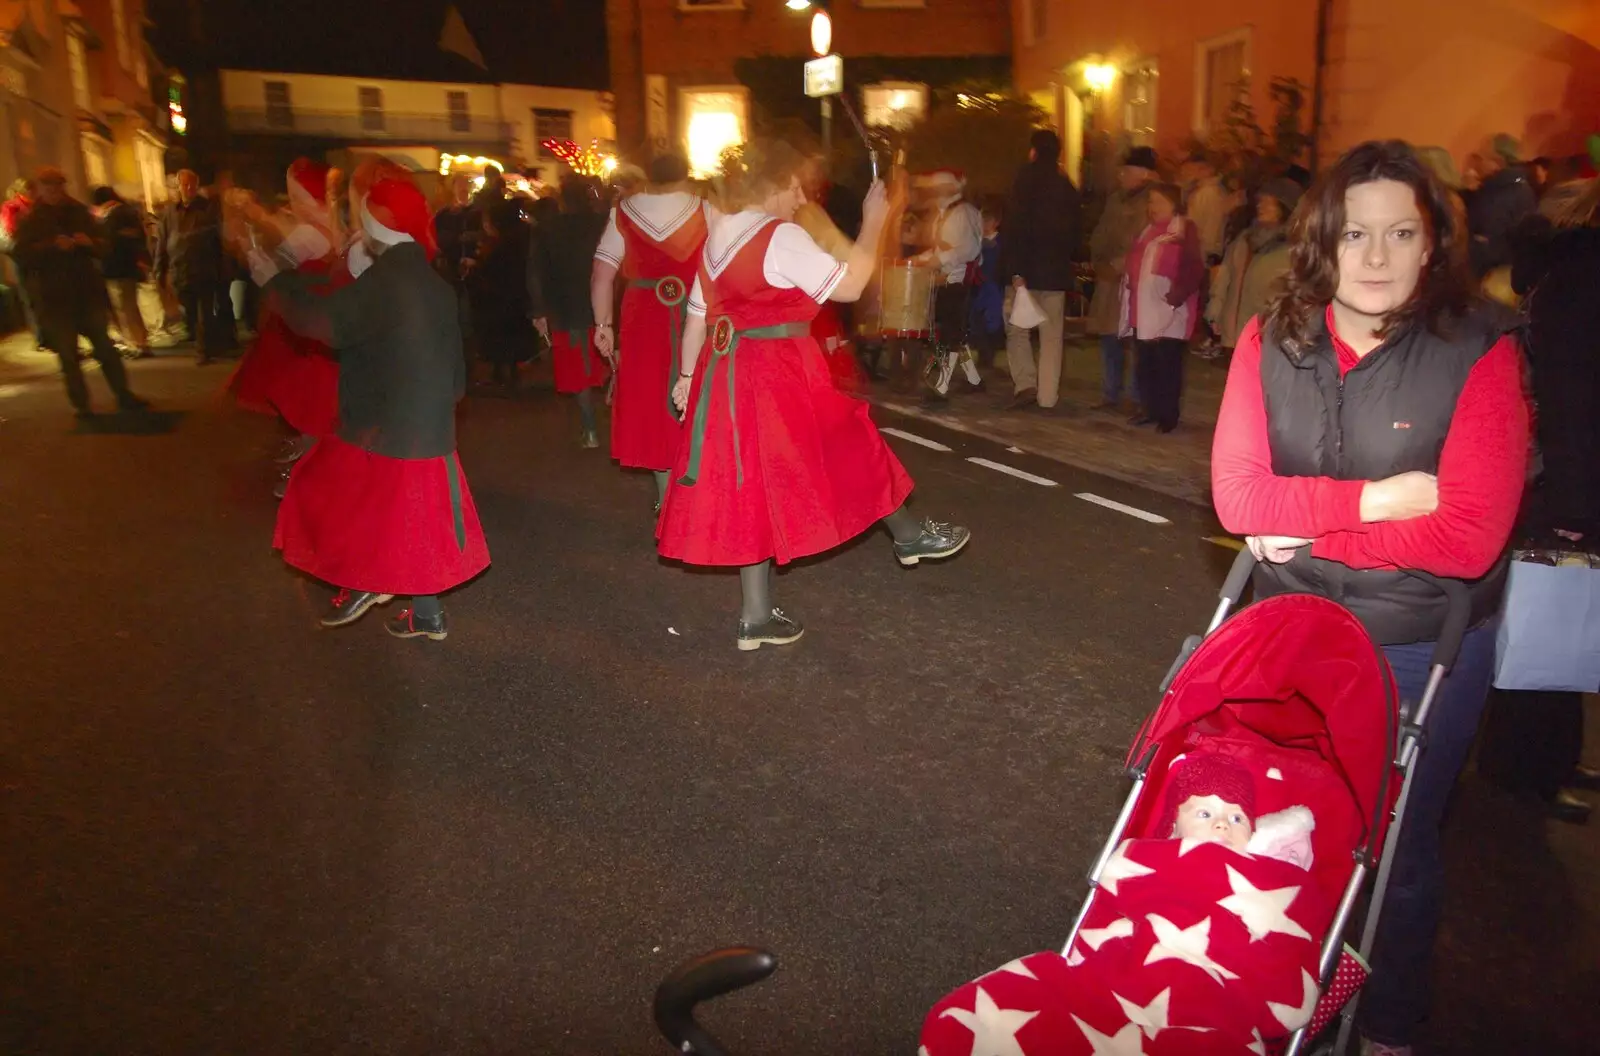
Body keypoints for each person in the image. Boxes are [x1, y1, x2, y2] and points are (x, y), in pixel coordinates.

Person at [1210, 140, 1530, 1056]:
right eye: (1355, 234)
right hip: (1288, 630)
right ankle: (1270, 992)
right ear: (1322, 239)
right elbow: (1237, 498)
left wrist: (1304, 526)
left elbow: (1468, 538)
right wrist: (1378, 504)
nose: (1378, 258)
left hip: (1417, 646)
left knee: (1394, 844)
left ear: (1433, 244)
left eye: (1401, 233)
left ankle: (1390, 1026)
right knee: (1281, 826)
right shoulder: (1274, 338)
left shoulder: (1479, 348)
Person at [657, 139, 970, 650]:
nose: (801, 196)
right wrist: (874, 220)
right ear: (777, 184)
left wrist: (688, 379)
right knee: (849, 441)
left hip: (727, 374)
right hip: (780, 373)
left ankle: (757, 617)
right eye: (796, 186)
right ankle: (911, 538)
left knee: (750, 480)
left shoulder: (717, 237)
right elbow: (849, 287)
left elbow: (697, 317)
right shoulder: (777, 236)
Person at [251, 175, 489, 641]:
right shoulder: (433, 284)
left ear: (375, 226)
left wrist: (273, 281)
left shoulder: (384, 283)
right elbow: (459, 368)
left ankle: (362, 581)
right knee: (418, 519)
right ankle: (425, 615)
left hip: (383, 428)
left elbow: (321, 323)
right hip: (430, 426)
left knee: (323, 490)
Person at [591, 152, 713, 514]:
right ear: (686, 174)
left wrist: (603, 325)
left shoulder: (624, 211)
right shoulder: (707, 210)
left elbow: (602, 275)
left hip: (642, 316)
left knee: (651, 402)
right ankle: (696, 487)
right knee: (697, 391)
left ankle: (666, 497)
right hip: (696, 312)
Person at [228, 159, 344, 480]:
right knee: (320, 401)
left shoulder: (309, 232)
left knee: (306, 400)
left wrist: (246, 245)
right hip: (324, 322)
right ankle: (312, 459)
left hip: (303, 325)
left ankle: (307, 470)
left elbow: (271, 271)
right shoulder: (336, 224)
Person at [12, 168, 148, 417]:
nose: (54, 192)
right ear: (42, 189)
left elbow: (104, 246)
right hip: (54, 297)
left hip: (86, 291)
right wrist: (52, 246)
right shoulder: (32, 219)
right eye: (49, 187)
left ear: (63, 187)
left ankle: (123, 394)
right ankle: (82, 405)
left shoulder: (79, 212)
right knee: (68, 355)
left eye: (57, 186)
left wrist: (89, 243)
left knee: (105, 348)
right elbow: (21, 254)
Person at [1000, 129, 1082, 411]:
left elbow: (1015, 229)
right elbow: (1075, 233)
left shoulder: (1024, 182)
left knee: (1018, 330)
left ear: (1033, 150)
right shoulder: (1065, 187)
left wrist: (1015, 270)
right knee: (1052, 335)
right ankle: (1048, 396)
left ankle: (1025, 384)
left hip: (1026, 273)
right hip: (1056, 274)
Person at [530, 176, 610, 447]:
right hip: (601, 306)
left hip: (565, 309)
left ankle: (590, 429)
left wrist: (539, 310)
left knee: (579, 372)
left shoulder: (547, 229)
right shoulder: (600, 224)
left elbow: (536, 272)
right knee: (604, 363)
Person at [1119, 182, 1202, 434]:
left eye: (1157, 201)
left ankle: (1168, 414)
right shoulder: (1146, 232)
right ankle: (1149, 408)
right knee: (1145, 362)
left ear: (1173, 203)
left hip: (1169, 311)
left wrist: (1176, 295)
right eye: (1150, 202)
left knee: (1168, 363)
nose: (1151, 207)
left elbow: (1193, 267)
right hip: (1142, 308)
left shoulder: (1183, 230)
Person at [1088, 146, 1158, 411]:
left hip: (1135, 278)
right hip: (1110, 279)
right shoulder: (1116, 200)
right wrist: (1098, 261)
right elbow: (1101, 233)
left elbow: (1144, 238)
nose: (1121, 176)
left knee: (1137, 338)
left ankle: (1136, 396)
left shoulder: (1152, 200)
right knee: (1109, 337)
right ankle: (1110, 392)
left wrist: (1121, 264)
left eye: (1126, 171)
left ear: (1142, 173)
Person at [912, 169, 983, 405]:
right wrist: (922, 259)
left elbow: (970, 250)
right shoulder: (943, 214)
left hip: (960, 282)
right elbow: (941, 249)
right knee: (954, 334)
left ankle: (941, 387)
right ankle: (974, 381)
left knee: (950, 335)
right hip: (946, 281)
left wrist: (939, 260)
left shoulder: (965, 213)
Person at [1206, 177, 1302, 353]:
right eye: (1260, 202)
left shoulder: (1293, 249)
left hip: (1269, 337)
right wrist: (1215, 310)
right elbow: (1225, 276)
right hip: (1235, 331)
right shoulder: (1244, 240)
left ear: (1285, 207)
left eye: (1269, 203)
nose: (1261, 207)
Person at [155, 169, 232, 364]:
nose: (188, 188)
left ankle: (203, 350)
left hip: (203, 268)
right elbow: (162, 242)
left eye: (192, 185)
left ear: (196, 186)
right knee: (189, 309)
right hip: (179, 270)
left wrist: (221, 265)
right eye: (184, 185)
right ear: (178, 186)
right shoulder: (170, 213)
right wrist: (159, 269)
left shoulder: (207, 208)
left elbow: (216, 236)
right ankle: (208, 341)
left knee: (203, 311)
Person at [466, 197, 535, 389]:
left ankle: (501, 373)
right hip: (516, 298)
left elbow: (491, 272)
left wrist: (476, 268)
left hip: (500, 300)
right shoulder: (520, 239)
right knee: (512, 337)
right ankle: (509, 373)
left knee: (500, 338)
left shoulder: (503, 244)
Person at [90, 186, 153, 359]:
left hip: (118, 267)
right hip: (124, 267)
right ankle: (139, 341)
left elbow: (116, 240)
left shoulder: (116, 215)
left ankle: (137, 343)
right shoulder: (125, 212)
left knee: (125, 308)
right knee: (127, 306)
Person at [1466, 134, 1538, 278]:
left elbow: (1488, 244)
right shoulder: (1516, 186)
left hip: (1493, 277)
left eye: (1483, 158)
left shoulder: (1499, 195)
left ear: (1497, 162)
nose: (1477, 164)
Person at [1, 177, 45, 348]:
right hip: (24, 258)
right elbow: (11, 231)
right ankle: (41, 337)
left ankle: (51, 334)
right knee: (31, 297)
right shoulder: (12, 207)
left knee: (45, 296)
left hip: (41, 256)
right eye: (30, 189)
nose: (33, 193)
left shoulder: (39, 206)